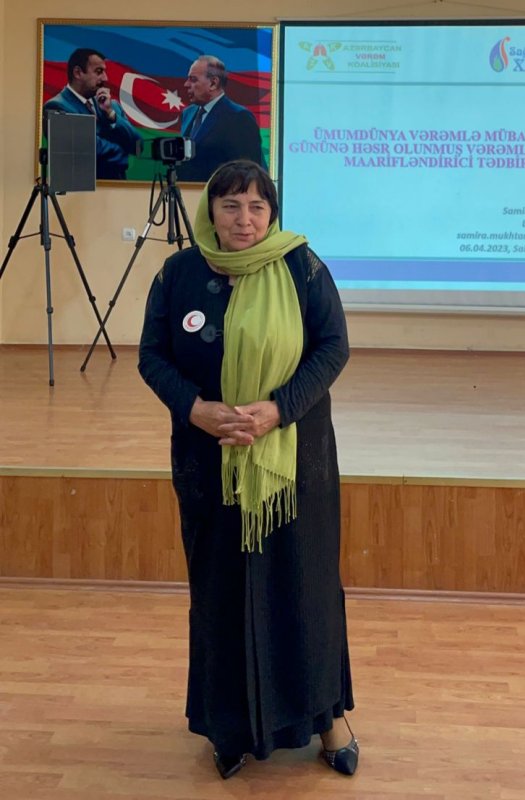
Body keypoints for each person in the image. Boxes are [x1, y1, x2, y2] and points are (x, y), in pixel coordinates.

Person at [138, 160, 357, 778]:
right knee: (220, 590)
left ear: (272, 213)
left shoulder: (303, 268)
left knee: (306, 585)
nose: (245, 219)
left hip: (294, 463)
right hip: (208, 462)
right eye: (231, 205)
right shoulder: (179, 273)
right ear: (210, 211)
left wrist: (279, 409)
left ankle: (329, 719)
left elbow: (333, 348)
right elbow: (152, 356)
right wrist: (196, 409)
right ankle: (227, 725)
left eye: (258, 206)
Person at [43, 48, 141, 180]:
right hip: (82, 189)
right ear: (78, 73)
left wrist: (111, 115)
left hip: (118, 189)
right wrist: (124, 151)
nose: (105, 78)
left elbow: (138, 146)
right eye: (99, 71)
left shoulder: (112, 106)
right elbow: (91, 150)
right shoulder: (56, 107)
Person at [175, 56, 266, 182]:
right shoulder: (188, 113)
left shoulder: (239, 117)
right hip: (187, 191)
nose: (186, 84)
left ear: (213, 83)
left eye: (193, 79)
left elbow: (248, 172)